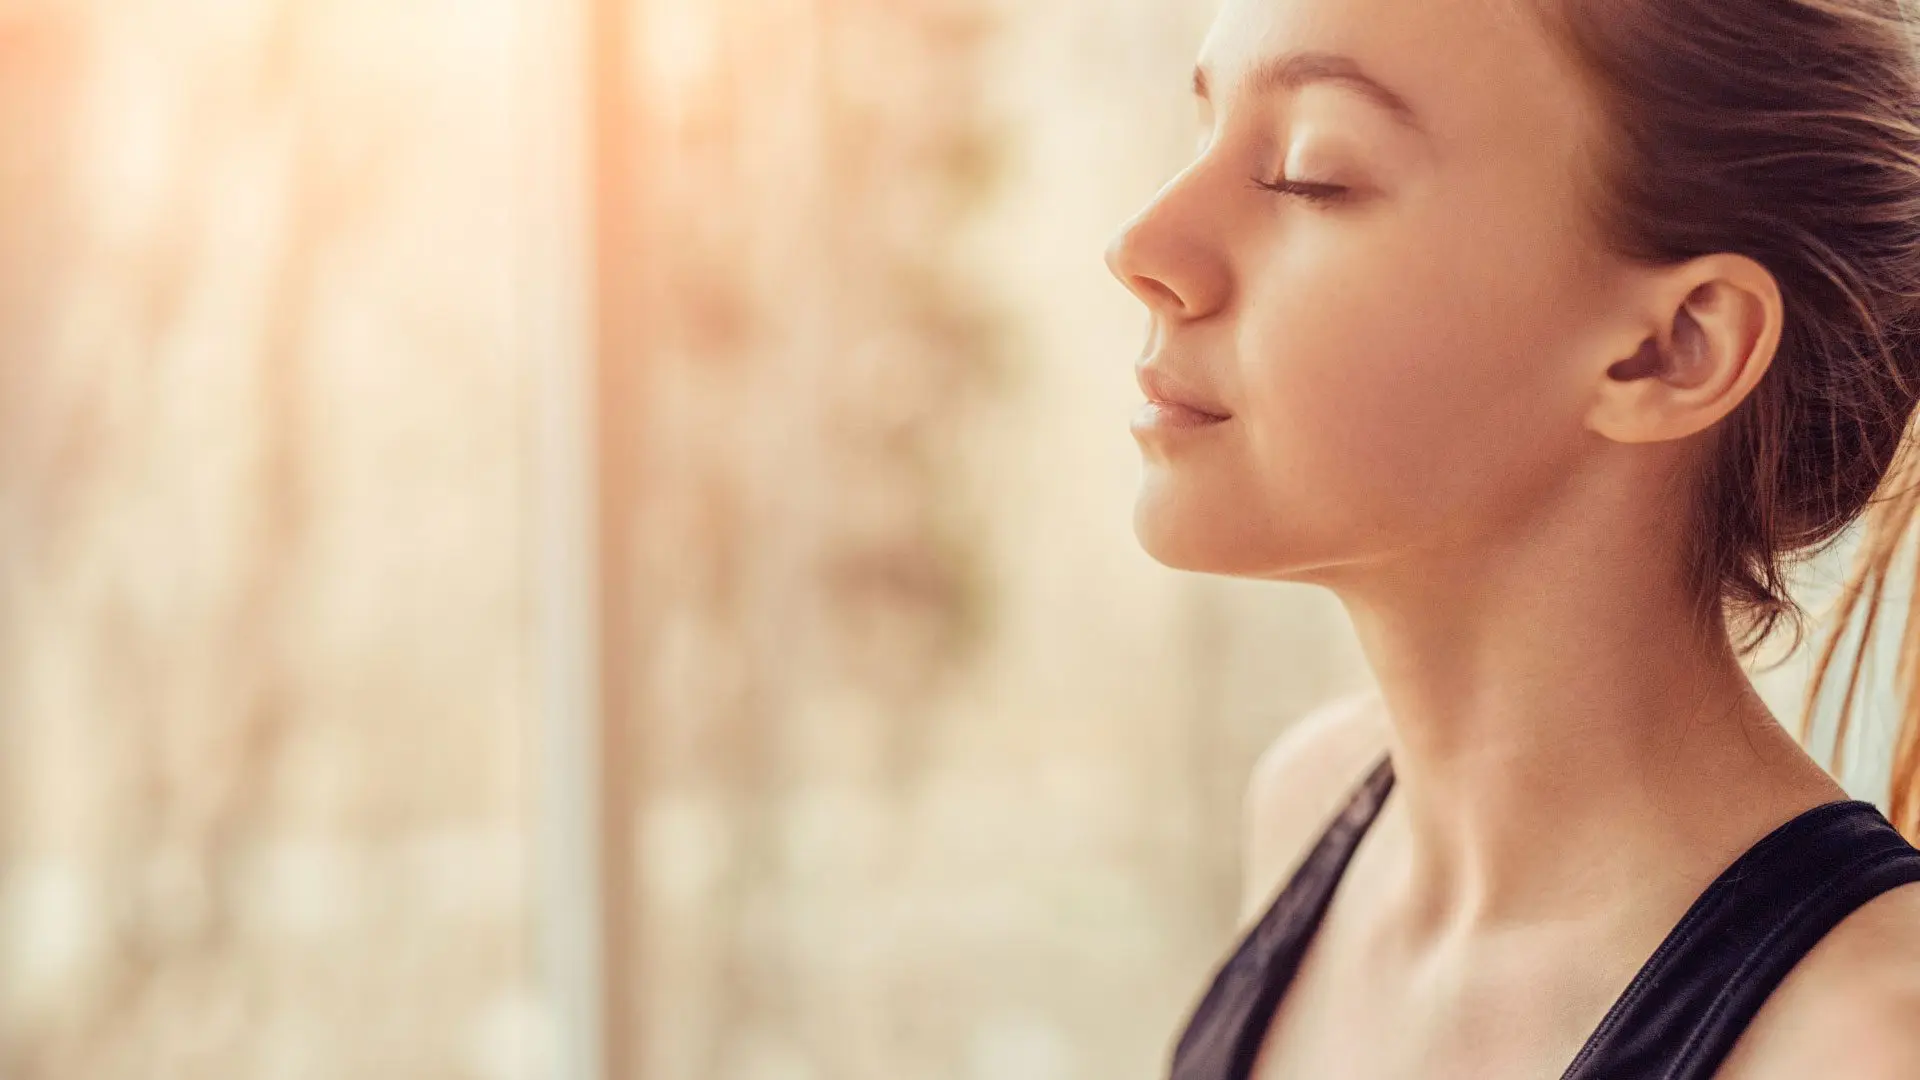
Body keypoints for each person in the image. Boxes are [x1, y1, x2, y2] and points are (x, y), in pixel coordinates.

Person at [1103, 0, 1920, 1076]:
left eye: (1313, 171)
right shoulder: (1312, 807)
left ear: (1673, 350)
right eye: (1203, 132)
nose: (1141, 248)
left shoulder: (1865, 1037)